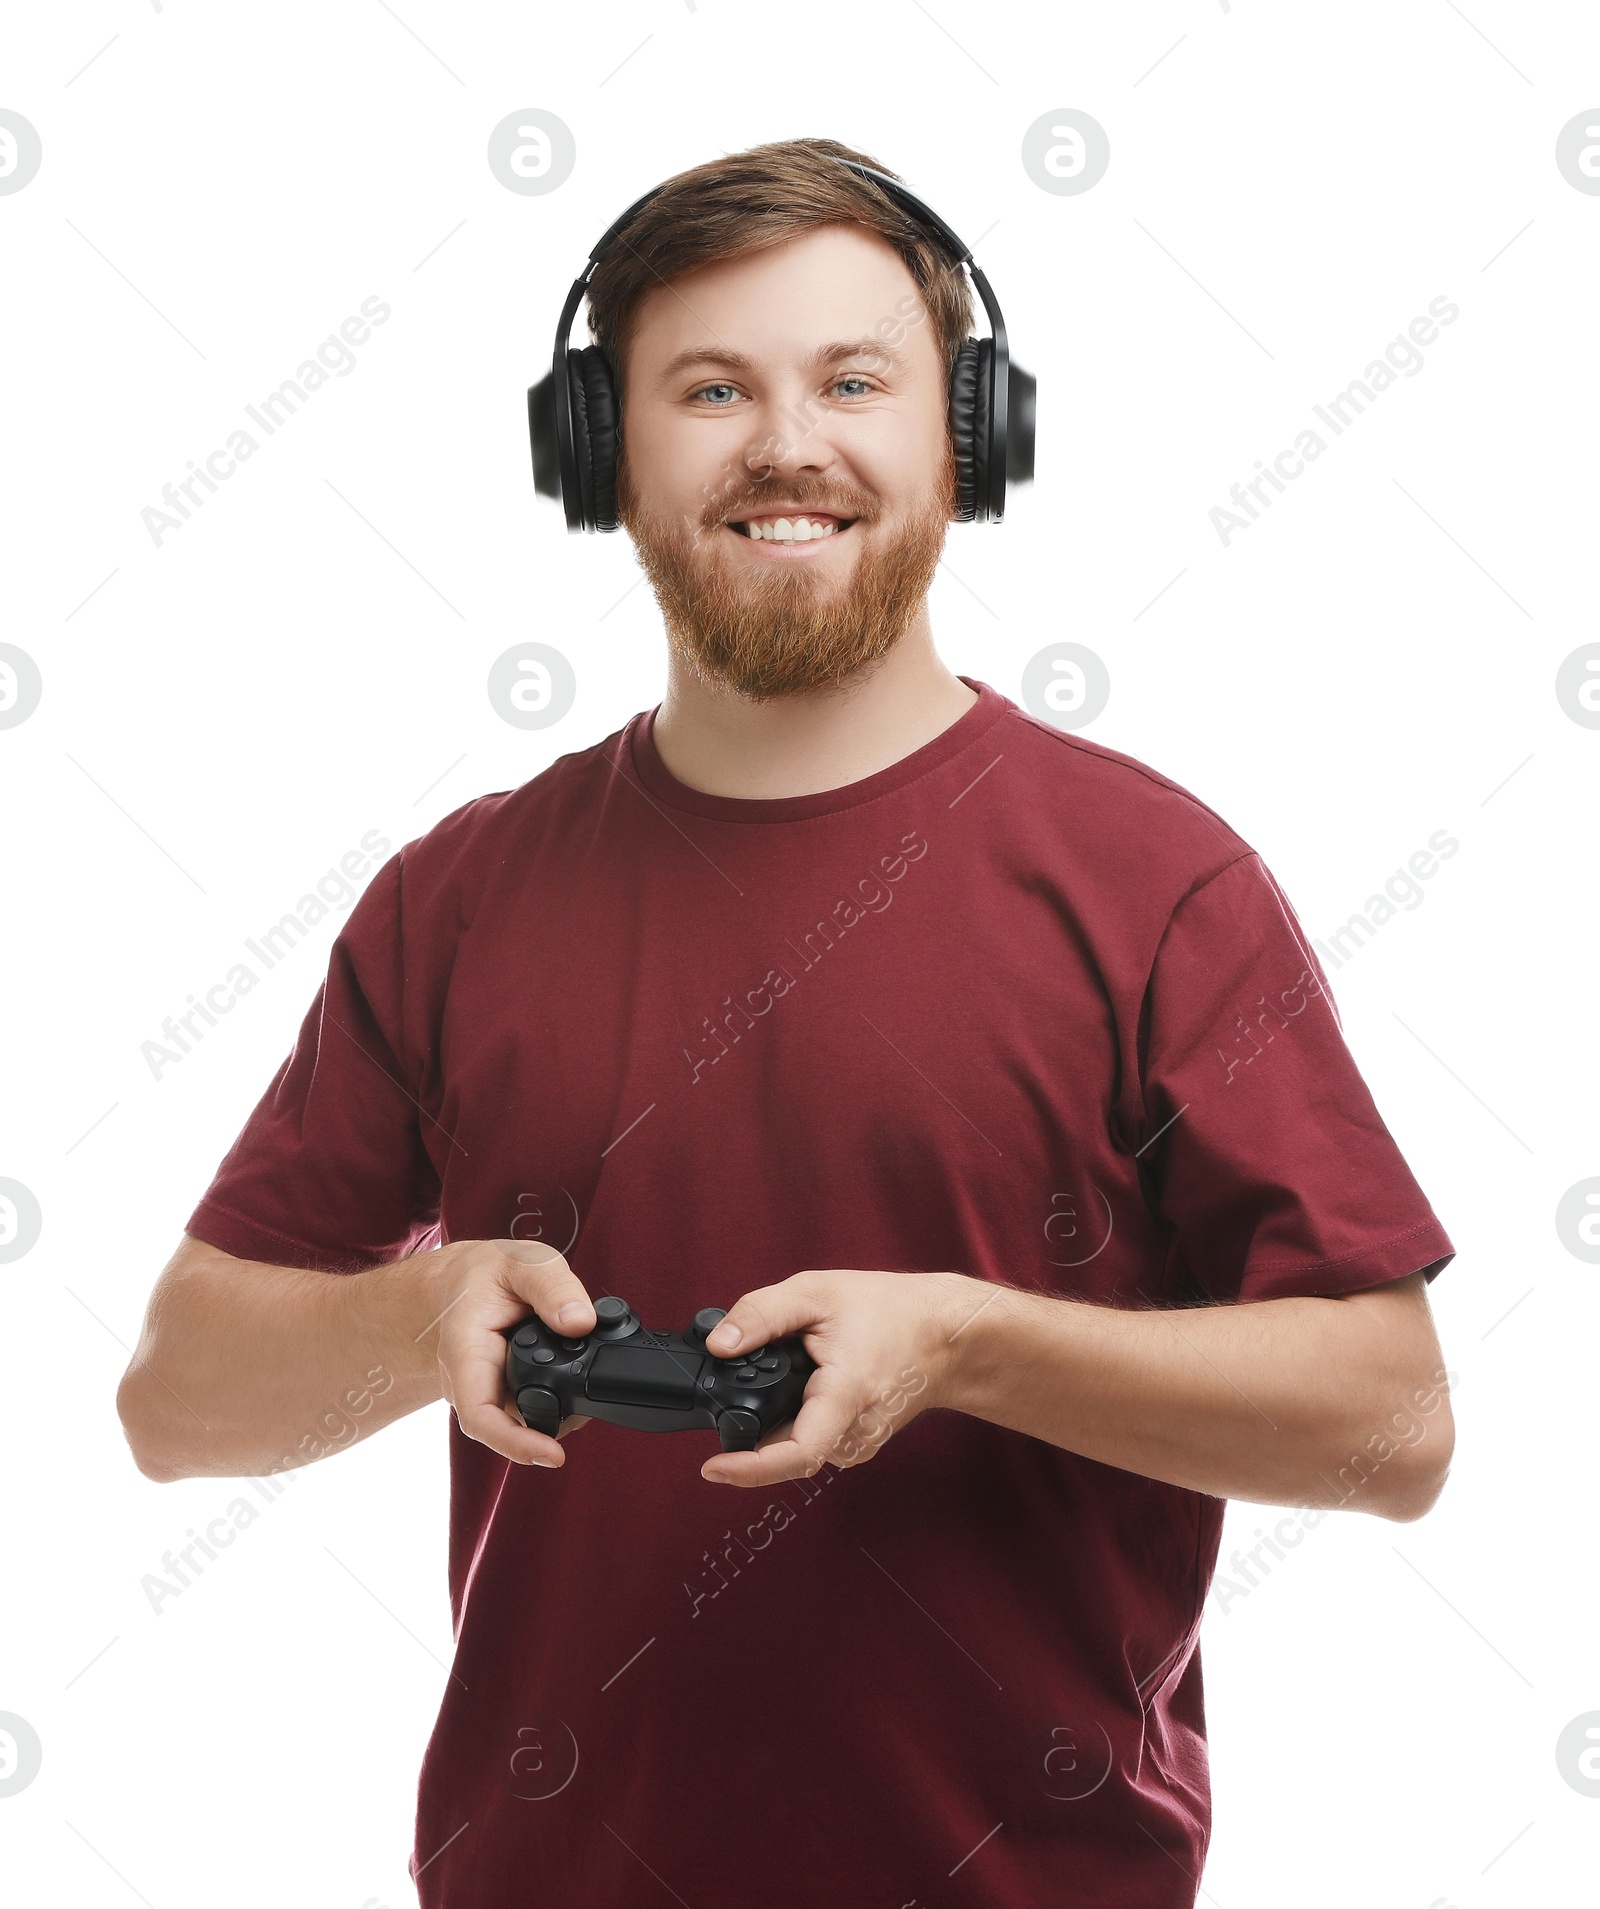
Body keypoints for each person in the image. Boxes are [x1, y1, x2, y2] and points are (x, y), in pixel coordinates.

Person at [117, 137, 1456, 1908]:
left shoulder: (1161, 886)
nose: (786, 444)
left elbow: (1396, 1426)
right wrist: (419, 1305)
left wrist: (975, 1345)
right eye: (711, 388)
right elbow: (176, 1400)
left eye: (854, 380)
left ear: (967, 434)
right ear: (599, 452)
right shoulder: (457, 897)